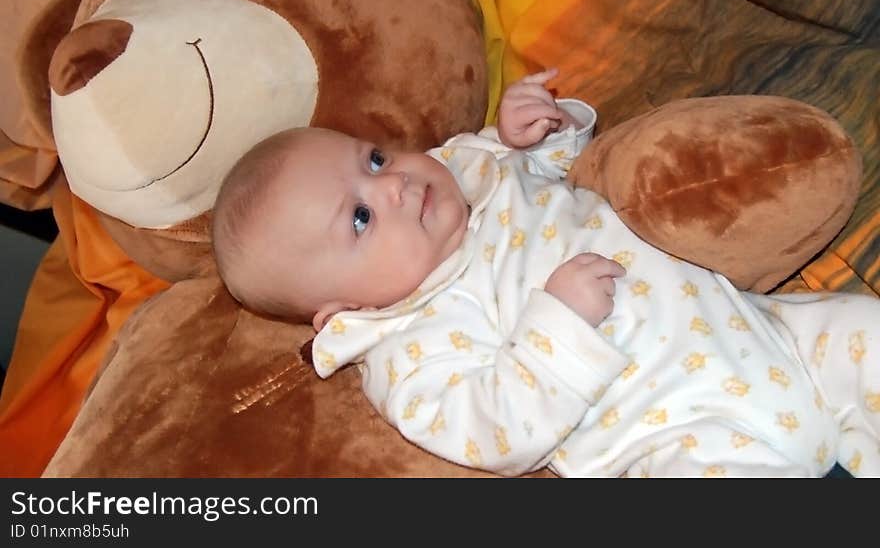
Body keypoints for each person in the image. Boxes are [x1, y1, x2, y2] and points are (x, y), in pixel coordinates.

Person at [212, 69, 880, 478]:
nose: (390, 188)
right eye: (358, 219)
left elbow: (566, 170)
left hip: (765, 334)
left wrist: (540, 132)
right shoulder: (405, 350)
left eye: (376, 160)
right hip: (674, 428)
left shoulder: (472, 167)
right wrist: (555, 327)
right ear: (337, 311)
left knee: (864, 334)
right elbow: (494, 430)